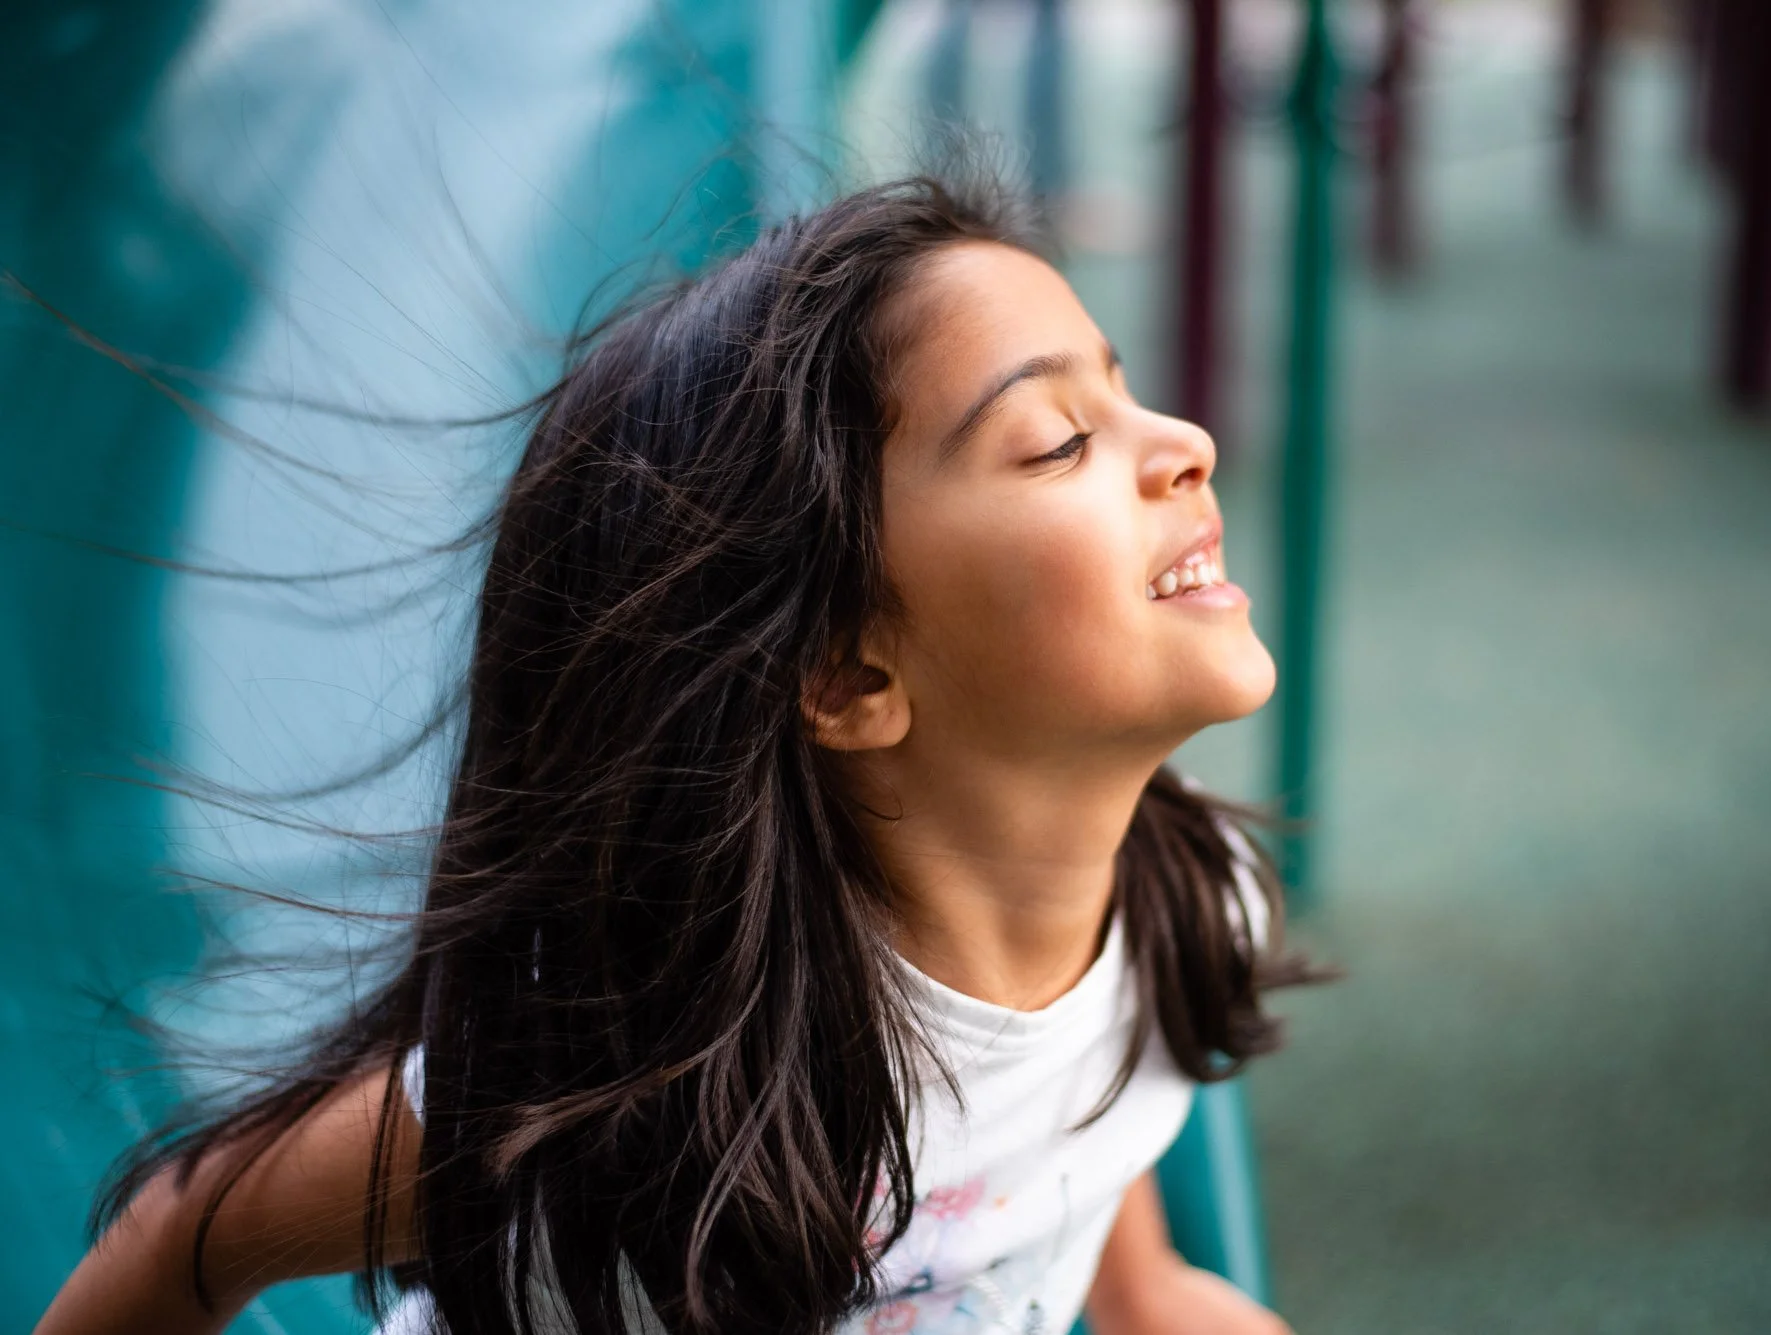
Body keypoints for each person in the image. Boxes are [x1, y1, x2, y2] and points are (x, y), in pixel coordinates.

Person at [35, 171, 1318, 1335]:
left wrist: (1154, 1298)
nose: (1184, 443)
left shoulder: (1179, 895)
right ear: (847, 672)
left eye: (1124, 387)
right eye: (1055, 441)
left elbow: (1096, 1185)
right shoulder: (642, 1078)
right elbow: (187, 1235)